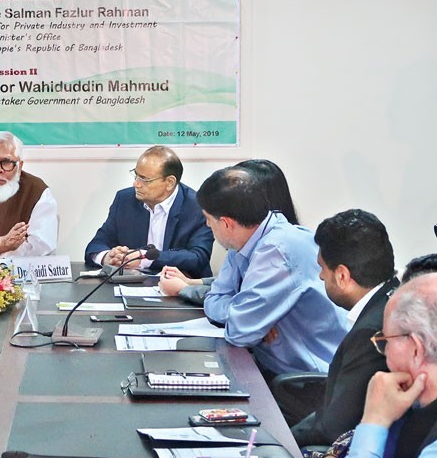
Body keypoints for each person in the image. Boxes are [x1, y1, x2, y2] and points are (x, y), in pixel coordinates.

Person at [221, 273, 437, 458]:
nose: (384, 354)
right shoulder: (419, 409)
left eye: (385, 342)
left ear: (415, 348)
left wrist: (374, 421)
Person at [197, 166, 347, 376]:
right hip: (272, 365)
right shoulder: (243, 239)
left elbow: (240, 331)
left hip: (310, 380)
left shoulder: (277, 251)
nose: (206, 224)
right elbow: (213, 298)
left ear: (226, 223)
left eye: (208, 218)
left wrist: (249, 318)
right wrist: (249, 314)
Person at [279, 209, 399, 448]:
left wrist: (280, 442)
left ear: (342, 275)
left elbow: (334, 426)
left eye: (323, 268)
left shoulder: (371, 331)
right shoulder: (391, 297)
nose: (321, 276)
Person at [159, 159, 298, 300]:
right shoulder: (245, 238)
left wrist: (185, 289)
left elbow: (241, 304)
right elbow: (230, 283)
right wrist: (193, 283)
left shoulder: (274, 250)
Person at [84, 145, 213, 277]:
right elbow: (96, 245)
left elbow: (198, 257)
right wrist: (108, 257)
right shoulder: (125, 200)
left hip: (181, 287)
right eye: (136, 176)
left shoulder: (197, 207)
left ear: (169, 182)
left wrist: (144, 258)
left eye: (144, 179)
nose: (136, 184)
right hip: (131, 284)